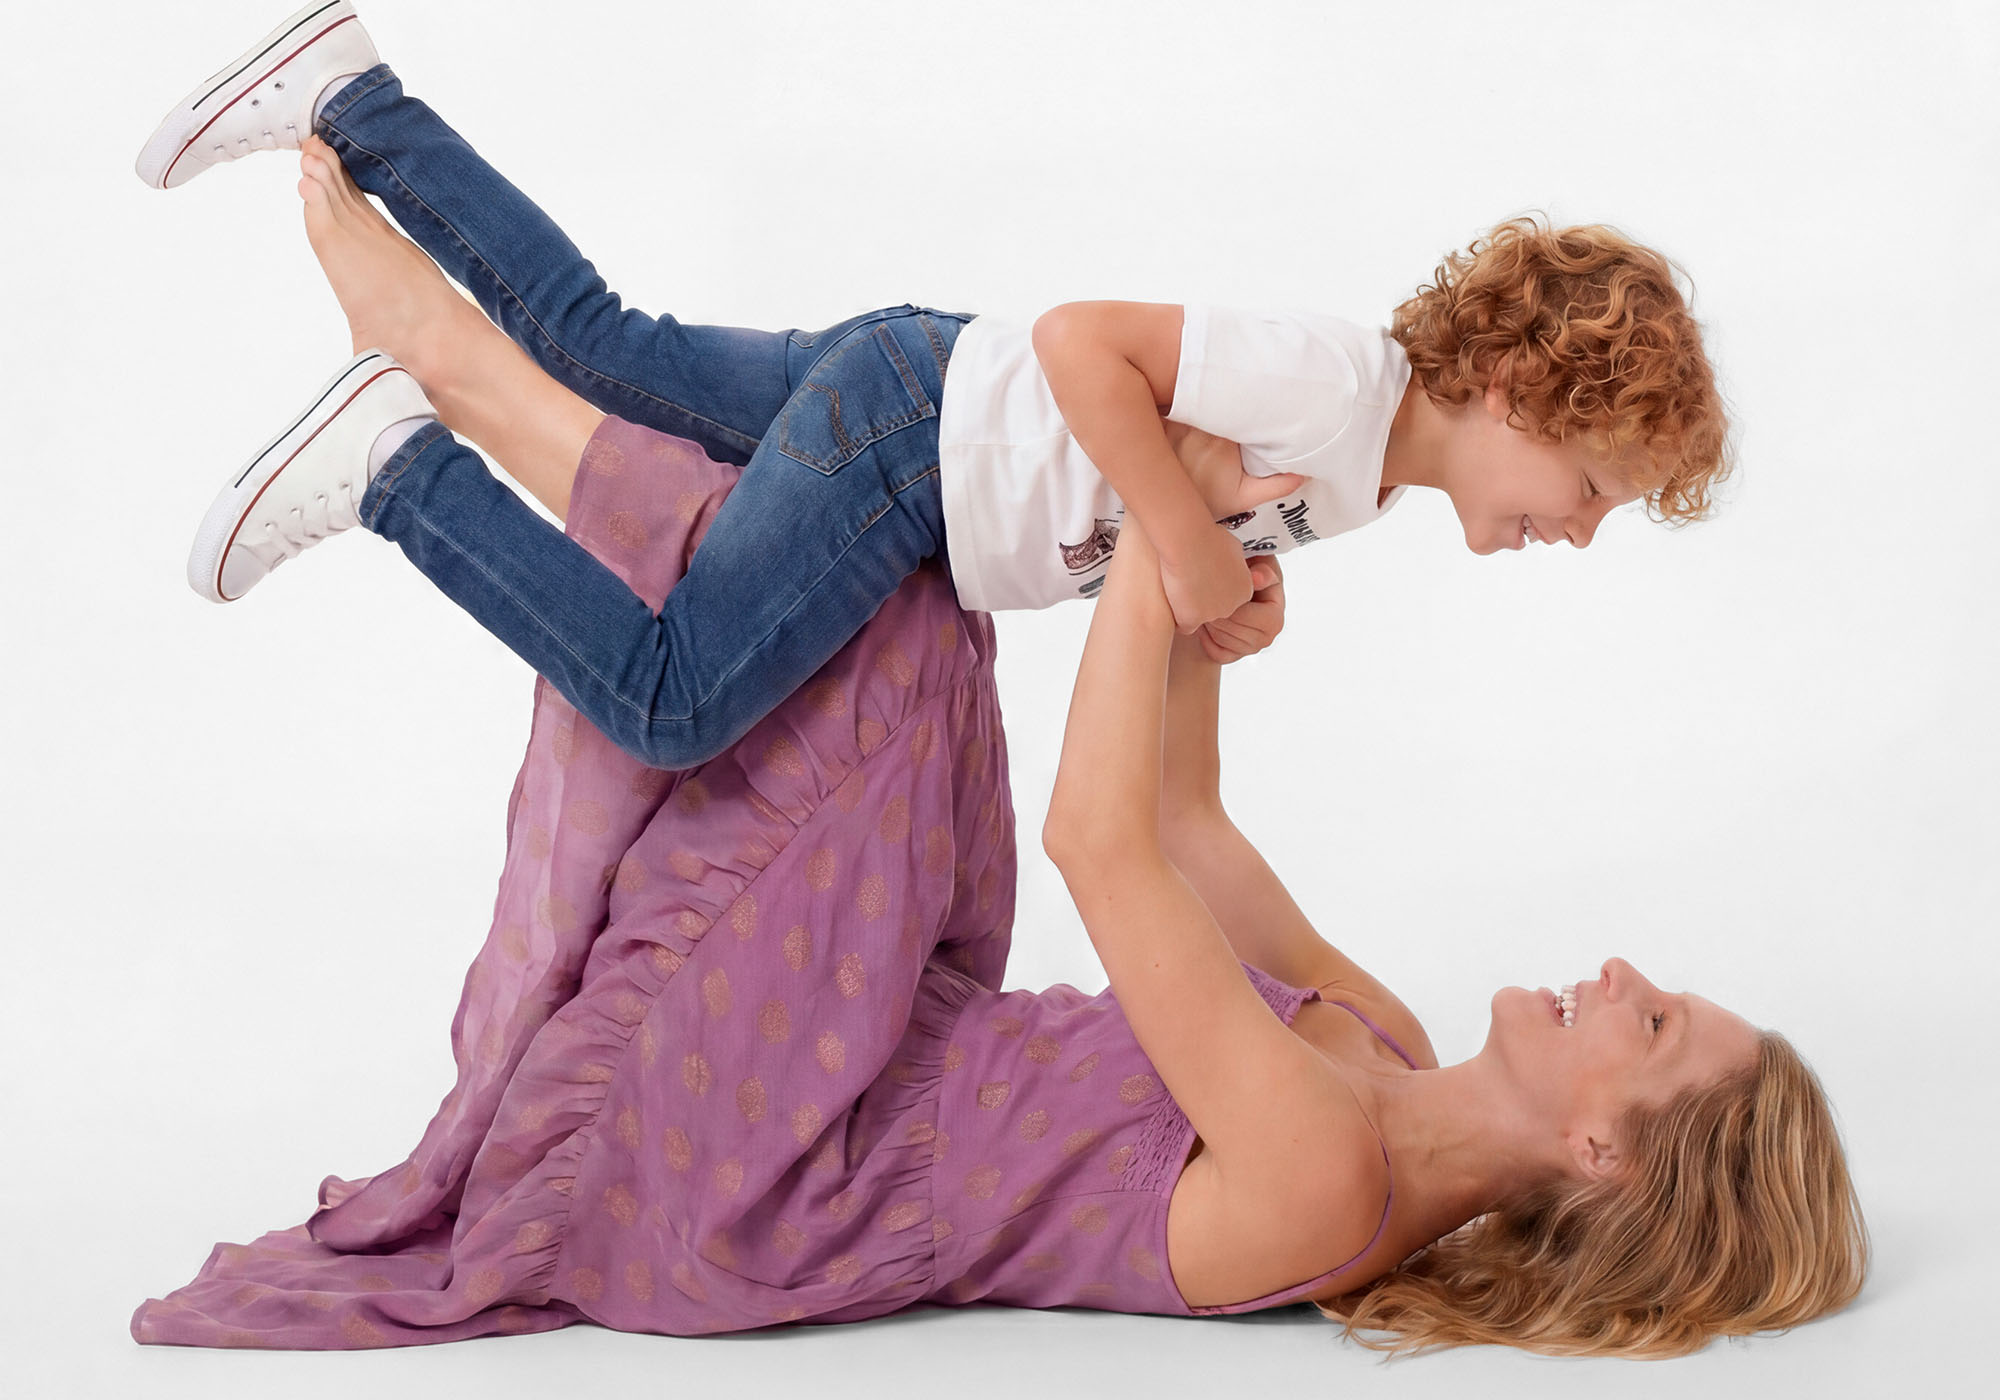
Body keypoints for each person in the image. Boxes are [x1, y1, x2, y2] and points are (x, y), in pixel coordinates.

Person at [131, 292, 1863, 1356]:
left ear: (1602, 1158)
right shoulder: (1383, 1042)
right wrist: (1211, 584)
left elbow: (1098, 852)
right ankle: (452, 388)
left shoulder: (1333, 1181)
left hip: (771, 1168)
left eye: (1650, 1022)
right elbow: (1181, 819)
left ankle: (417, 443)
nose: (1625, 972)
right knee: (887, 563)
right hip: (888, 1024)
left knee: (885, 622)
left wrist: (1155, 511)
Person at [136, 2, 1732, 772]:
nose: (1580, 533)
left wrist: (1225, 584)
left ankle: (354, 95)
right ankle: (397, 471)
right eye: (1590, 489)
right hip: (917, 448)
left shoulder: (1366, 464)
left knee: (598, 345)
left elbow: (1151, 483)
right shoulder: (1339, 381)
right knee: (677, 702)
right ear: (1518, 383)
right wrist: (1185, 546)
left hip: (914, 389)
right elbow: (1083, 344)